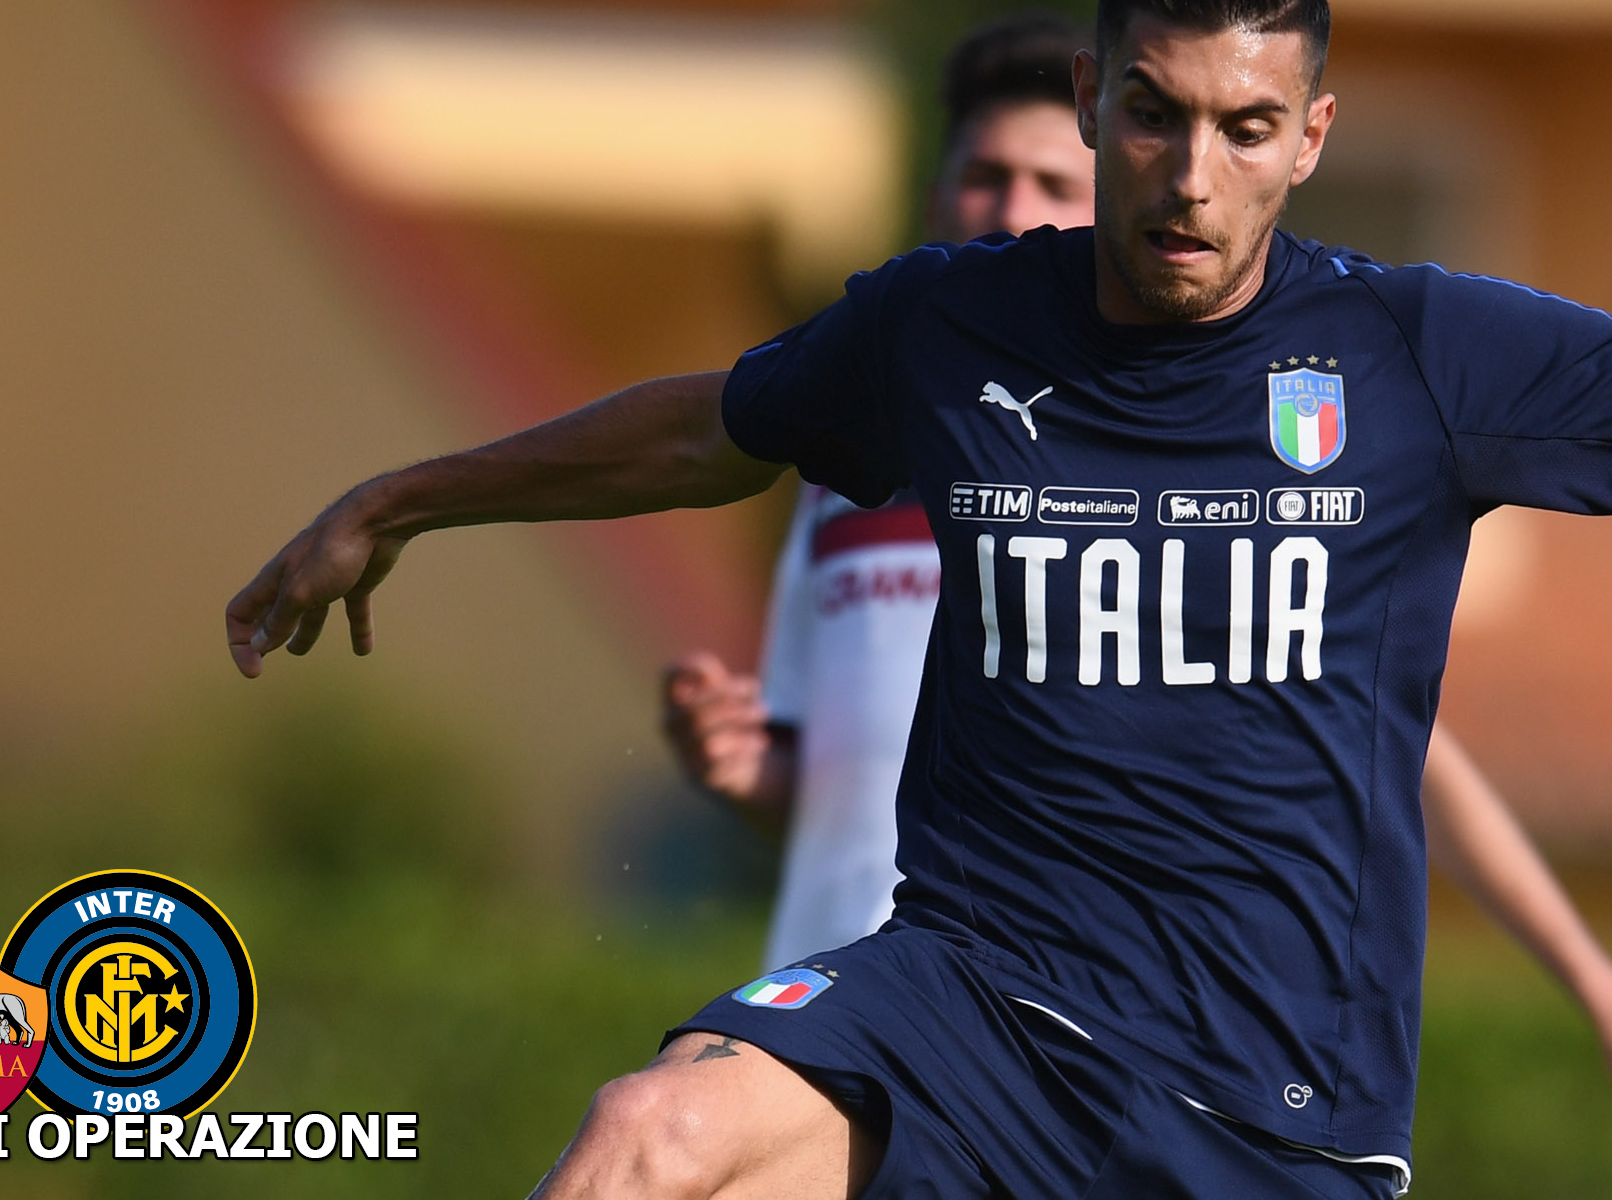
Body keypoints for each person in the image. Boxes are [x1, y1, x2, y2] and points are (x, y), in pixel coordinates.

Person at [227, 2, 1612, 1194]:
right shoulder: (950, 326)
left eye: (1246, 129)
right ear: (1093, 98)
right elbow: (707, 435)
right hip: (971, 1007)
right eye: (1154, 114)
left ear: (1310, 137)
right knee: (653, 1134)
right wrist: (398, 500)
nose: (1193, 176)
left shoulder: (1421, 351)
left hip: (1269, 1106)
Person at [661, 12, 1612, 1075]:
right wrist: (752, 771)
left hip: (1083, 1034)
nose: (1011, 212)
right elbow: (841, 781)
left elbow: (1400, 755)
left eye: (1045, 186)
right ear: (938, 194)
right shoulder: (840, 483)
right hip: (860, 999)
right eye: (984, 177)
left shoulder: (1203, 468)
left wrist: (1592, 977)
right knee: (655, 1127)